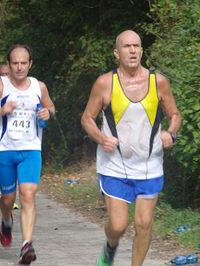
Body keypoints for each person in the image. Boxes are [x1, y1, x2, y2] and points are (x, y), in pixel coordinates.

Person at [81, 30, 181, 266]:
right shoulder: (105, 83)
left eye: (136, 46)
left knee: (144, 223)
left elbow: (175, 115)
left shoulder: (159, 82)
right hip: (115, 165)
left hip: (150, 163)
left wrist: (171, 133)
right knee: (118, 225)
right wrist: (101, 138)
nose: (133, 50)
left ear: (142, 50)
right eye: (127, 46)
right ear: (117, 53)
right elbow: (87, 118)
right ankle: (110, 246)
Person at [0, 44, 55, 265]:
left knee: (28, 193)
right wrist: (0, 110)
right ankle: (5, 219)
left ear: (30, 64)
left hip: (31, 149)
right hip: (4, 150)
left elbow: (51, 107)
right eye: (15, 63)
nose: (19, 67)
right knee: (8, 198)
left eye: (23, 63)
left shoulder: (39, 86)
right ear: (9, 64)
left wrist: (47, 112)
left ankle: (26, 245)